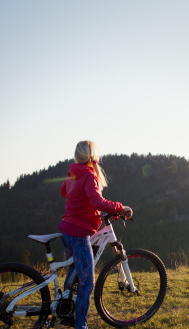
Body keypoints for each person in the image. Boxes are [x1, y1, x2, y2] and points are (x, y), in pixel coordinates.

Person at [59, 140, 132, 328]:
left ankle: (65, 308)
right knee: (87, 282)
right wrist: (119, 208)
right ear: (94, 156)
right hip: (79, 233)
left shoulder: (73, 173)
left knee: (73, 274)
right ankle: (80, 325)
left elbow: (63, 191)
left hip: (67, 230)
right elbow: (97, 202)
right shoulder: (89, 175)